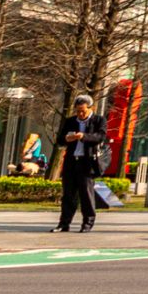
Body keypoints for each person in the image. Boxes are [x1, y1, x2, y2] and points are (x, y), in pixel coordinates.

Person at [51, 93, 104, 233]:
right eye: (78, 111)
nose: (80, 114)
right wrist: (66, 139)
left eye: (83, 111)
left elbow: (100, 136)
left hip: (87, 161)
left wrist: (84, 136)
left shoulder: (98, 120)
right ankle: (64, 223)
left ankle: (87, 223)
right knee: (68, 195)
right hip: (71, 161)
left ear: (91, 108)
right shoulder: (71, 121)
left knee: (86, 194)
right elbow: (60, 139)